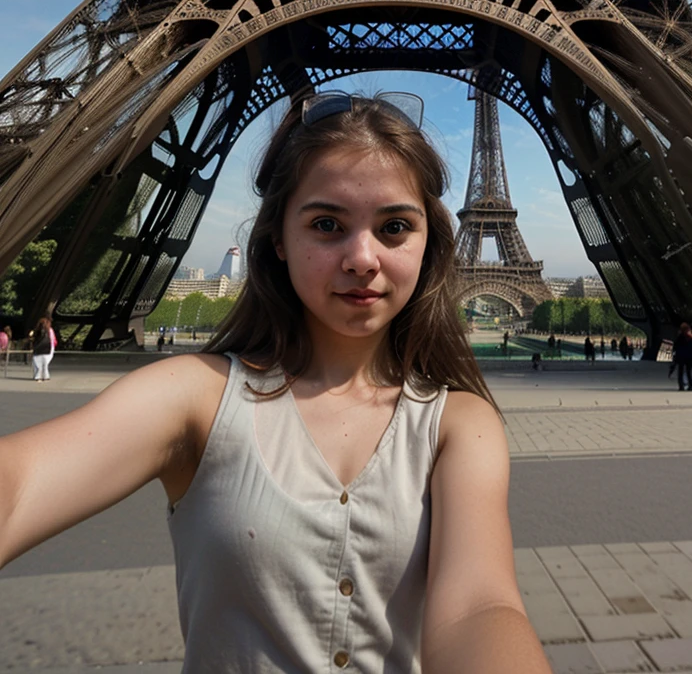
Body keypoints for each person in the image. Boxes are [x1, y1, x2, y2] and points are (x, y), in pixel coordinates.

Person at [0, 91, 552, 674]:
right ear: (278, 240)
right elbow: (21, 483)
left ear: (426, 244)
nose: (362, 257)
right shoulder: (195, 398)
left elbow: (480, 608)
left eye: (393, 226)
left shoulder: (458, 426)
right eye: (326, 224)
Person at [672, 322, 692, 392]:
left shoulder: (680, 337)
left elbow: (675, 347)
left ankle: (681, 386)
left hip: (681, 357)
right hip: (690, 357)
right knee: (689, 371)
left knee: (681, 371)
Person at [29, 316, 56, 382]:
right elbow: (53, 339)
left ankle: (38, 376)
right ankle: (45, 376)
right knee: (45, 363)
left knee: (37, 362)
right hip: (48, 347)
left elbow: (31, 337)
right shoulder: (50, 330)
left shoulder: (36, 330)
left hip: (38, 347)